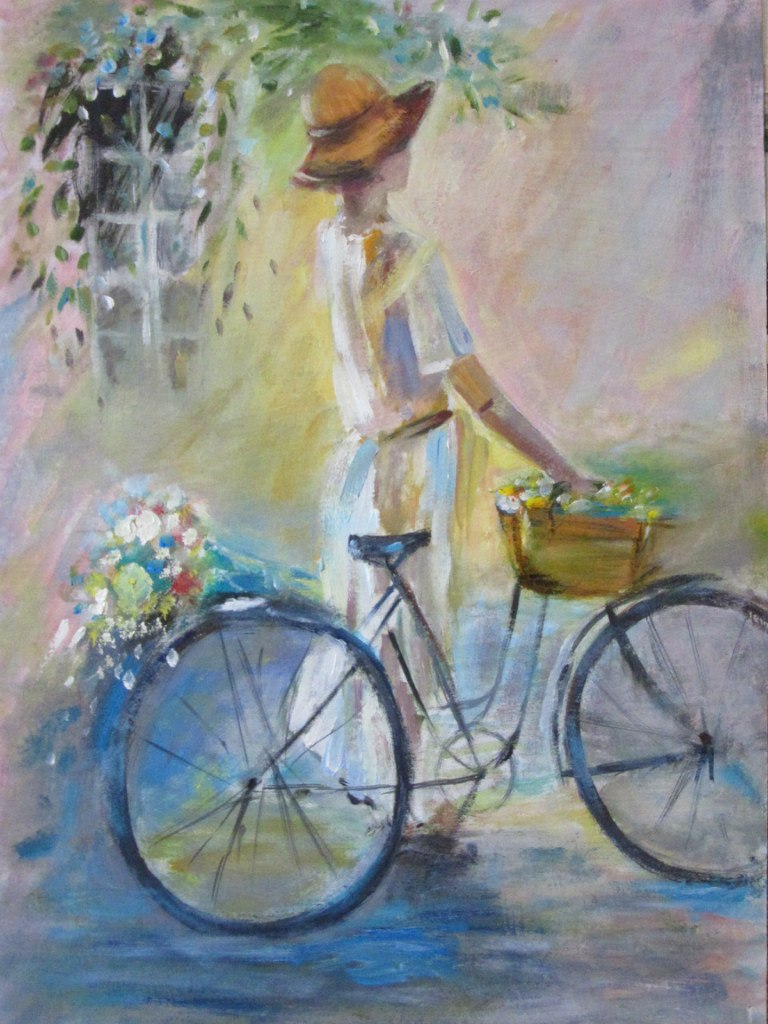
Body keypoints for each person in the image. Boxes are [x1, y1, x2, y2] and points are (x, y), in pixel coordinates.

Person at [291, 64, 589, 821]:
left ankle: (392, 794)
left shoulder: (332, 242)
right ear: (379, 161)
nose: (408, 152)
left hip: (360, 467)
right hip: (414, 466)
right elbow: (476, 390)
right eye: (398, 142)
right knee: (414, 638)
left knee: (379, 633)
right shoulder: (403, 256)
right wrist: (561, 469)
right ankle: (418, 807)